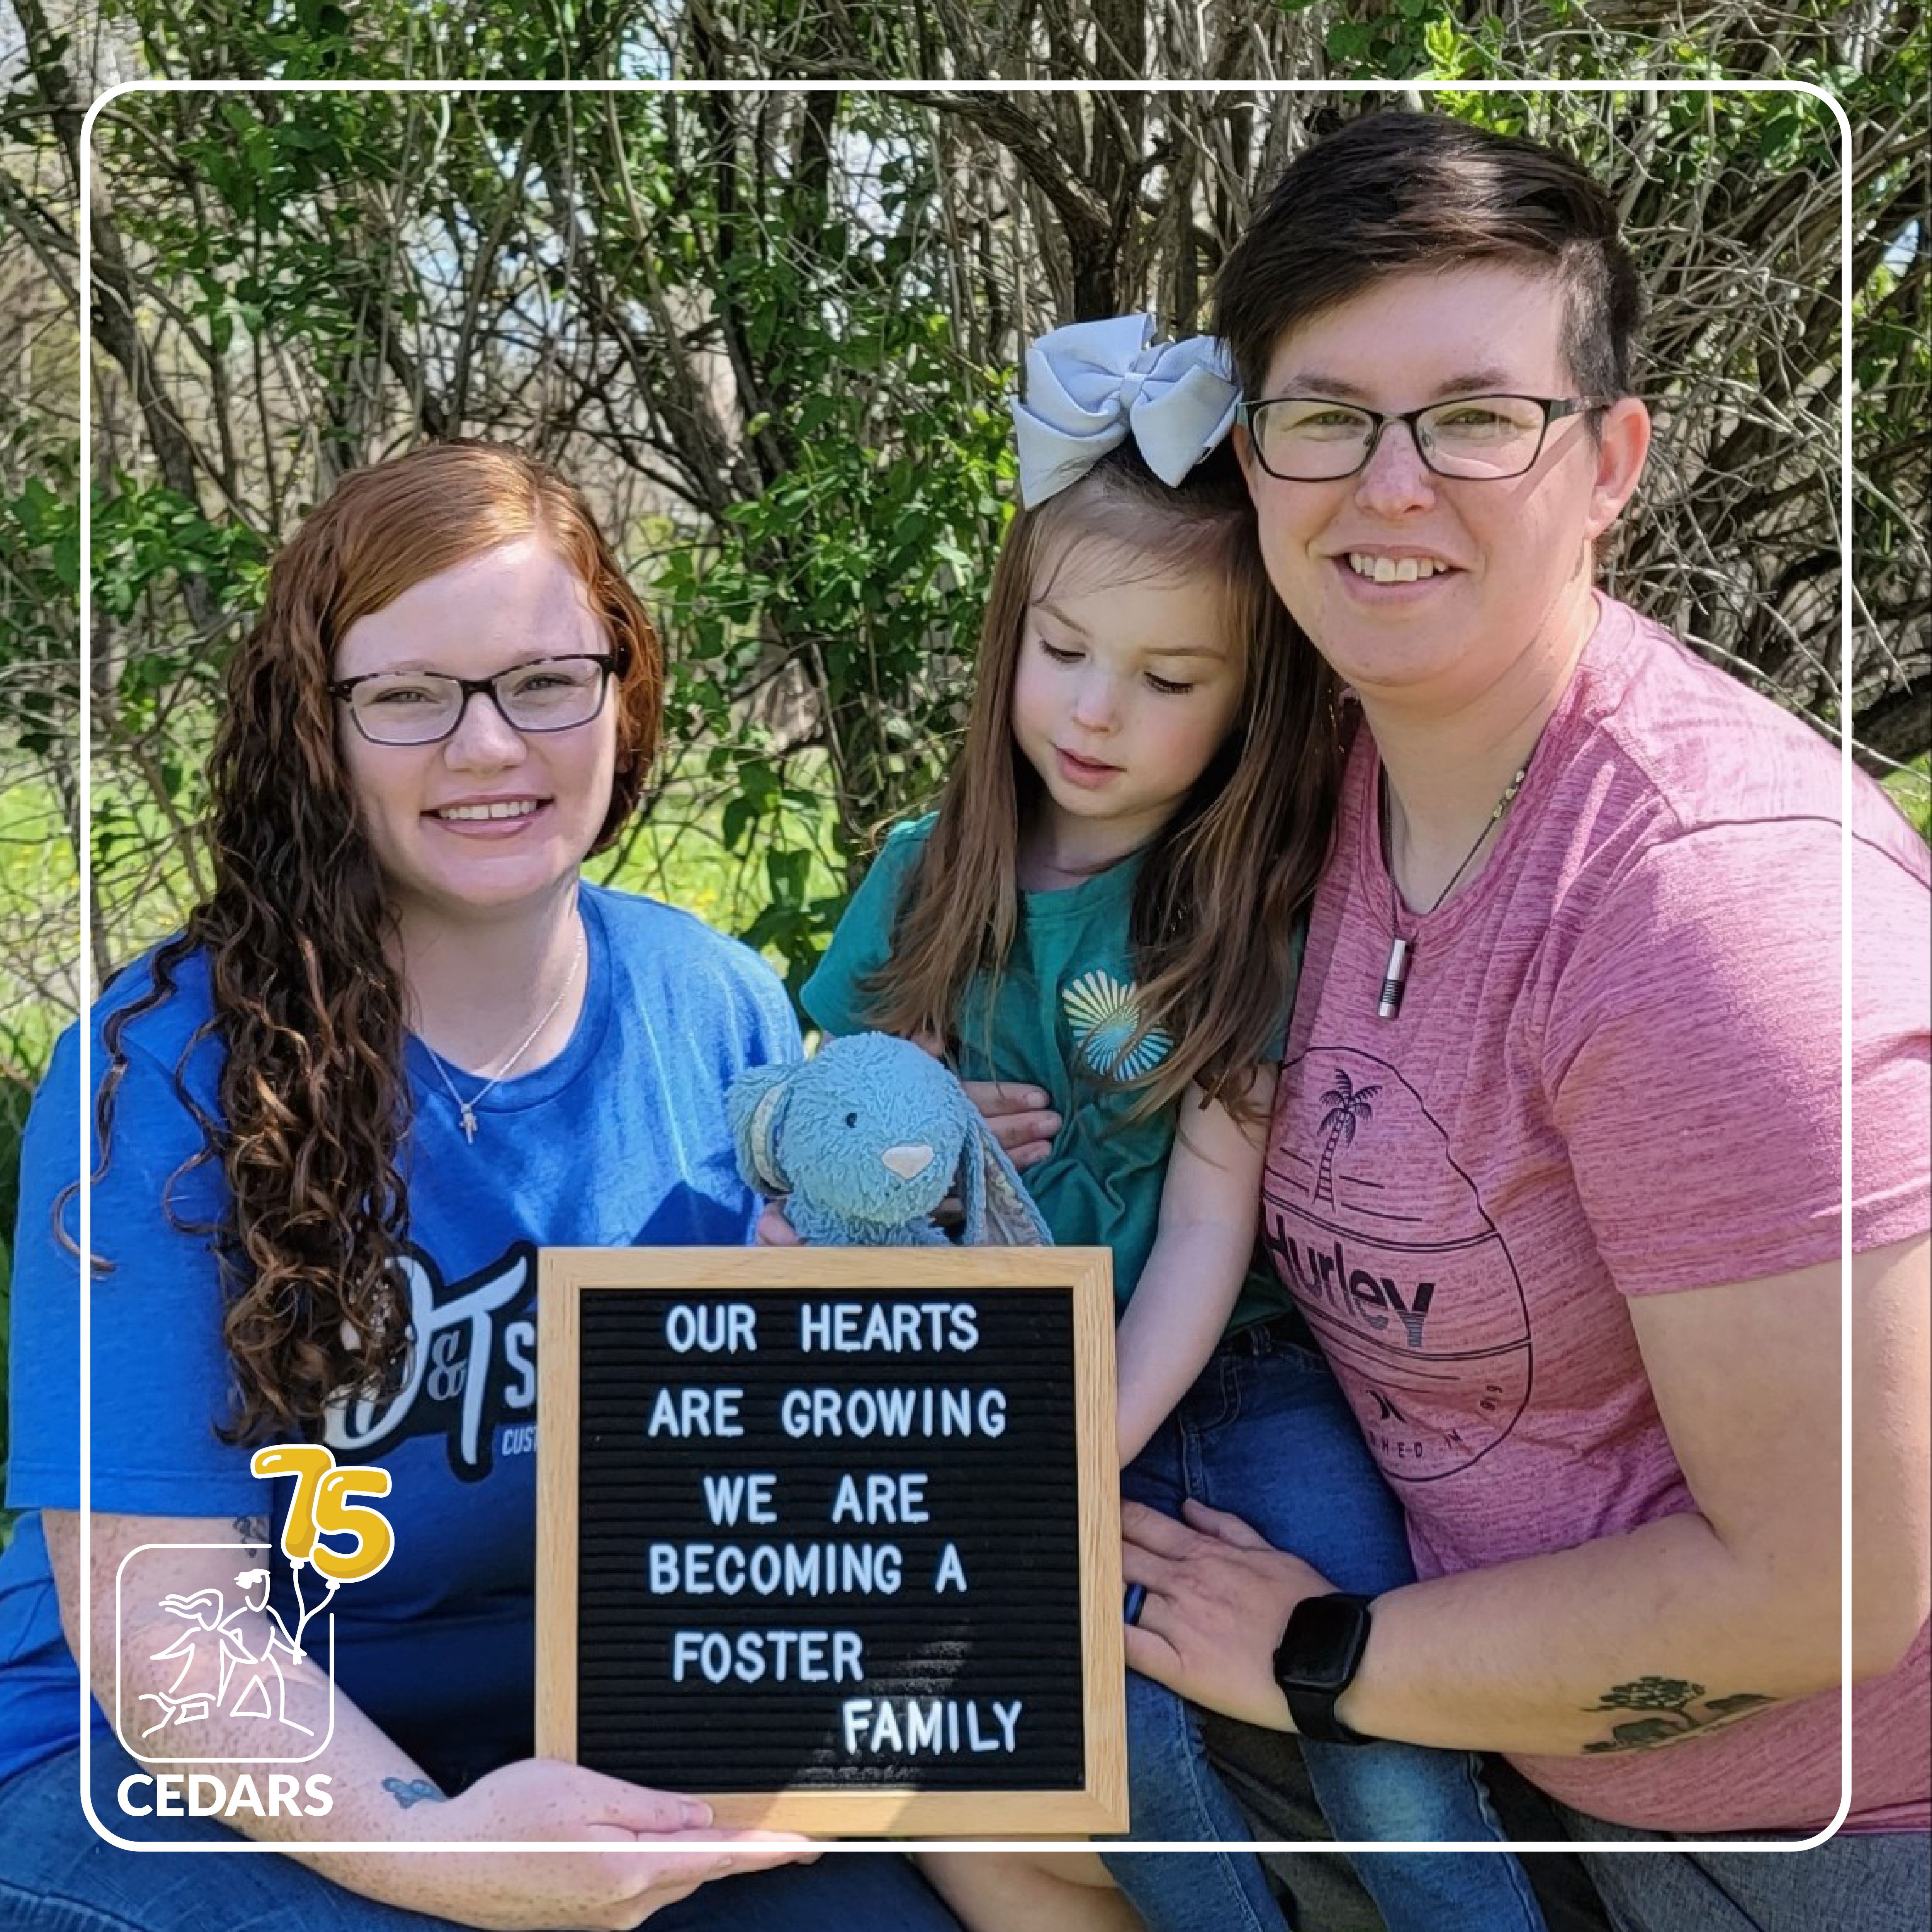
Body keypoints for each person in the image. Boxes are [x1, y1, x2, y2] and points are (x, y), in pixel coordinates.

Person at [1100, 111, 1931, 1932]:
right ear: (1251, 455)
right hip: (1493, 1767)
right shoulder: (1290, 785)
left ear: (1609, 457)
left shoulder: (1708, 916)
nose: (1387, 488)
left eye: (1476, 416)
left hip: (1816, 1841)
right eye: (1324, 415)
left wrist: (1322, 1655)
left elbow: (1828, 1587)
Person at [0, 442, 964, 1932]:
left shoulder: (719, 1009)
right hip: (169, 1763)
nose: (490, 747)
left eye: (542, 680)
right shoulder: (162, 1070)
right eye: (407, 696)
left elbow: (771, 1505)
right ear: (315, 731)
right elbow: (160, 1626)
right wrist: (443, 1851)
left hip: (579, 1730)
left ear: (623, 688)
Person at [796, 318, 1549, 1932]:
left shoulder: (1240, 906)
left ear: (1247, 693)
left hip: (1241, 1374)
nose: (1093, 712)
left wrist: (1083, 1451)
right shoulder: (930, 875)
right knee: (1122, 1746)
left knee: (1375, 1715)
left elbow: (1210, 1228)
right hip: (1002, 1378)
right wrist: (899, 1151)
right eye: (1061, 651)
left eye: (1166, 678)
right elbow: (831, 1130)